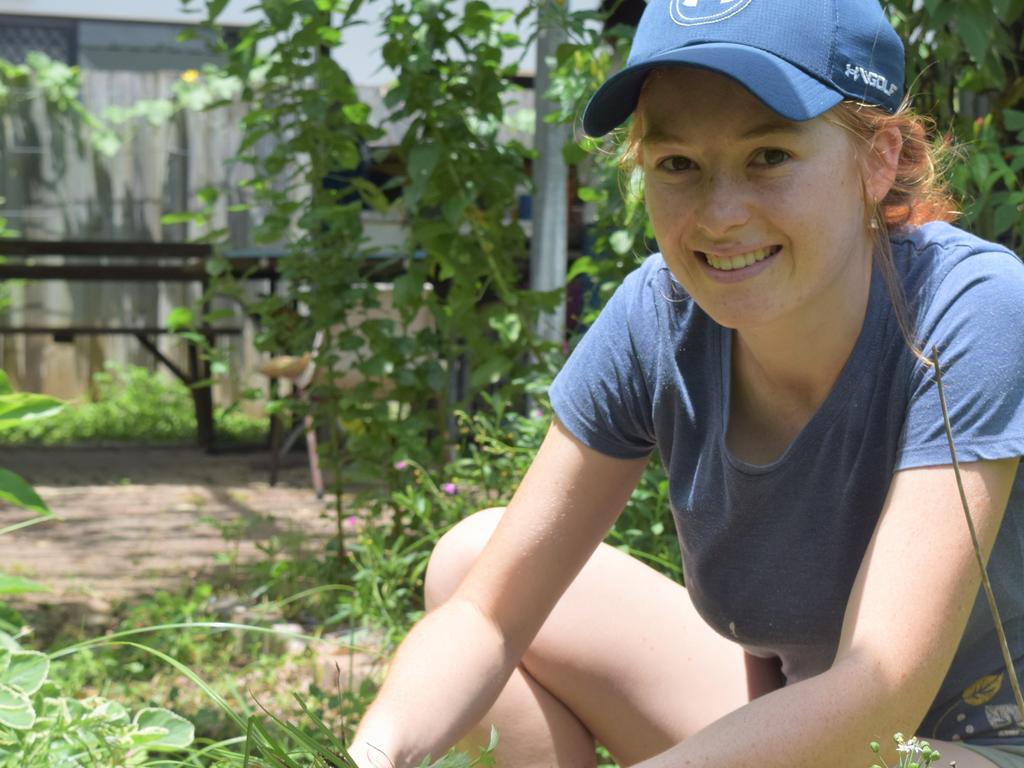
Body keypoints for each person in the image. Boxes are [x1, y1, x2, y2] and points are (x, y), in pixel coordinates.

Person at [350, 0, 1024, 765]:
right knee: (472, 563)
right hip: (796, 726)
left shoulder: (970, 310)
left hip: (976, 745)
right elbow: (488, 616)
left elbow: (882, 688)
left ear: (878, 160)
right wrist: (374, 753)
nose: (718, 215)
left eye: (769, 155)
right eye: (678, 165)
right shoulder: (659, 314)